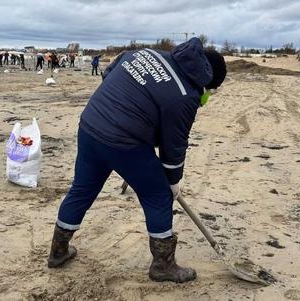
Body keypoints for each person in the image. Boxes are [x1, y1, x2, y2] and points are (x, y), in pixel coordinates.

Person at [48, 38, 227, 283]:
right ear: (205, 80)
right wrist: (173, 182)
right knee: (158, 195)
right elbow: (173, 146)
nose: (207, 95)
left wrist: (123, 109)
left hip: (91, 125)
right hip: (125, 143)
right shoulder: (186, 96)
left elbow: (110, 72)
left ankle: (58, 251)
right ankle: (163, 266)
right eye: (210, 90)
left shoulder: (147, 53)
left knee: (82, 189)